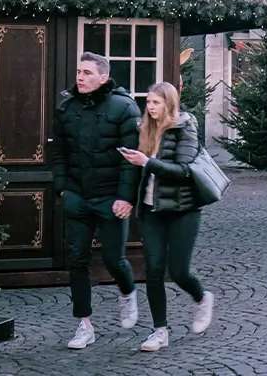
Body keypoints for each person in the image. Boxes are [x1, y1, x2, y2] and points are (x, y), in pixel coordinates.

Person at [48, 52, 142, 350]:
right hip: (77, 196)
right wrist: (62, 189)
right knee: (77, 260)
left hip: (111, 198)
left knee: (115, 259)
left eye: (87, 72)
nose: (80, 77)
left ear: (103, 77)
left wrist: (126, 198)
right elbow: (58, 152)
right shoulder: (67, 107)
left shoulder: (124, 107)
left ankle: (127, 292)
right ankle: (84, 325)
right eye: (79, 71)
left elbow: (131, 160)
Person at [118, 82, 216, 353]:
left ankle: (201, 297)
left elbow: (183, 170)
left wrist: (147, 162)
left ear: (169, 104)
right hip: (152, 211)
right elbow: (138, 172)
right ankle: (159, 331)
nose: (150, 108)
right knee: (153, 270)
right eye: (148, 102)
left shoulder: (185, 127)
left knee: (179, 271)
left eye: (156, 103)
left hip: (183, 210)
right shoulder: (144, 129)